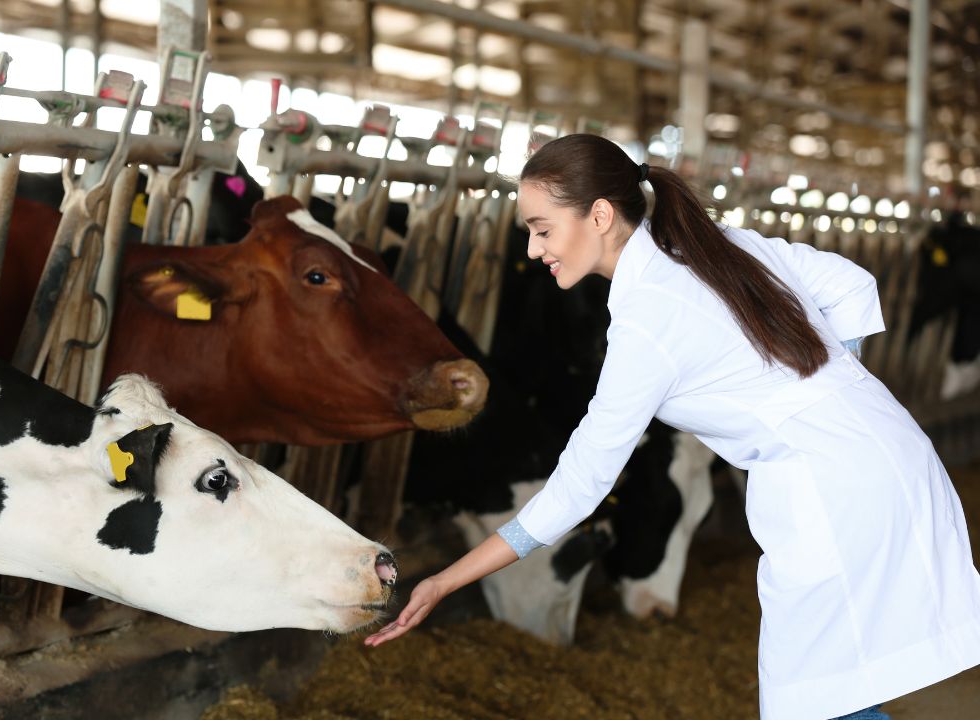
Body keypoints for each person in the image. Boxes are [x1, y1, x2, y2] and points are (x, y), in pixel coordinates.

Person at [364, 134, 980, 720]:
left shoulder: (646, 325)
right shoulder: (714, 247)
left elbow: (581, 483)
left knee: (817, 697)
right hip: (887, 452)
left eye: (542, 228)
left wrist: (445, 580)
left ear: (599, 216)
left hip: (835, 492)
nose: (532, 249)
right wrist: (830, 391)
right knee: (833, 686)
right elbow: (851, 283)